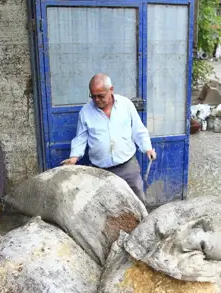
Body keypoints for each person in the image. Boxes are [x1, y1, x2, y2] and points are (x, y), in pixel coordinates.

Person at [61, 74, 156, 203]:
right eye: (93, 96)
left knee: (137, 198)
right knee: (103, 204)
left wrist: (147, 148)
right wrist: (74, 157)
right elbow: (81, 137)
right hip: (100, 169)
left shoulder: (126, 105)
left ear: (111, 89)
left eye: (101, 96)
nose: (97, 99)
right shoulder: (86, 111)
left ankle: (143, 221)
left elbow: (138, 129)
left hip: (127, 165)